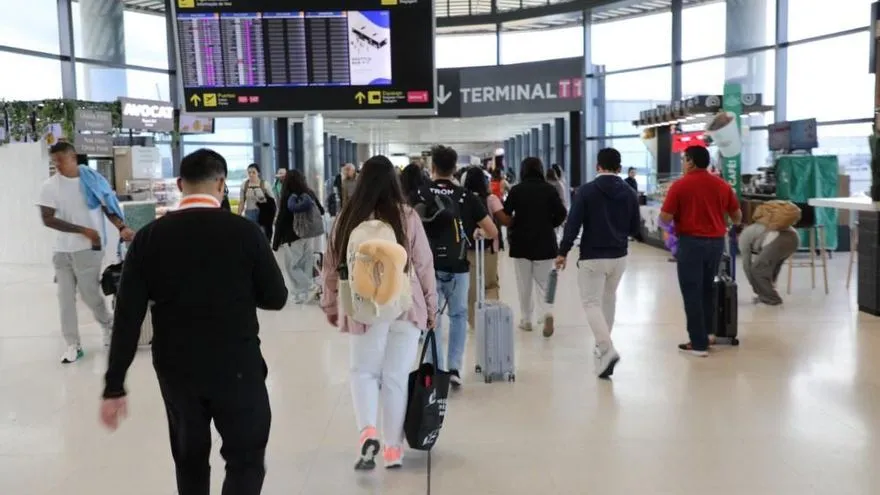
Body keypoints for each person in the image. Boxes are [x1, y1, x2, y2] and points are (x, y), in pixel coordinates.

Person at [100, 148, 288, 495]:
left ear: (179, 184)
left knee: (189, 460)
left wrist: (114, 385)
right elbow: (276, 298)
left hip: (178, 368)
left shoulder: (148, 238)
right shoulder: (245, 233)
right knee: (245, 459)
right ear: (221, 184)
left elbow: (127, 317)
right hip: (237, 365)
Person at [320, 155, 438, 470]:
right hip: (404, 304)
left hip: (362, 307)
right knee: (396, 377)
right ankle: (392, 450)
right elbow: (424, 265)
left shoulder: (347, 217)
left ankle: (367, 432)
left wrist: (331, 305)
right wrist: (430, 307)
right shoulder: (407, 216)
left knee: (364, 372)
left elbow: (331, 267)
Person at [38, 142, 135, 362]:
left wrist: (122, 227)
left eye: (61, 160)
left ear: (73, 158)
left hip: (89, 250)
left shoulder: (91, 181)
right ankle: (73, 344)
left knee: (90, 296)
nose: (57, 166)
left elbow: (107, 207)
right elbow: (47, 218)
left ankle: (108, 326)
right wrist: (83, 230)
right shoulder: (49, 186)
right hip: (62, 252)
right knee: (65, 299)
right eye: (54, 162)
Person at [556, 148, 641, 378]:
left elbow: (573, 224)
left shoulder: (586, 191)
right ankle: (602, 346)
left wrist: (563, 251)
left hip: (593, 255)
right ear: (620, 168)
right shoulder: (629, 192)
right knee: (608, 298)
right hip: (619, 256)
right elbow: (636, 228)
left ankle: (606, 347)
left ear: (597, 166)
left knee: (591, 303)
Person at [420, 145, 497, 388]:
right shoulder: (466, 196)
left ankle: (436, 368)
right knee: (458, 315)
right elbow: (492, 231)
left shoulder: (420, 194)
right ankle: (454, 368)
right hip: (458, 266)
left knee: (432, 318)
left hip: (428, 266)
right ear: (454, 169)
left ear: (432, 167)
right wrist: (474, 231)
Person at [659, 146, 742, 356]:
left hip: (691, 243)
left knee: (691, 291)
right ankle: (708, 334)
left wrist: (668, 226)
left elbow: (665, 217)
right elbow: (738, 216)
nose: (682, 163)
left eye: (684, 159)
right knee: (707, 289)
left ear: (691, 161)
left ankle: (698, 344)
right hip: (716, 244)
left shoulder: (680, 186)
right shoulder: (722, 185)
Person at [497, 157, 567, 337]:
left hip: (521, 243)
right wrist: (549, 224)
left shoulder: (516, 190)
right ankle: (547, 312)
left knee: (524, 284)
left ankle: (527, 319)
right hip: (545, 242)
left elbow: (506, 214)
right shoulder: (550, 189)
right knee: (545, 284)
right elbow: (562, 213)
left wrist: (515, 223)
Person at [273, 169, 325, 303]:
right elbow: (322, 210)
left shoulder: (288, 197)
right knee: (305, 264)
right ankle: (301, 294)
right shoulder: (309, 193)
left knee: (292, 266)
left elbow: (281, 220)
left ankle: (309, 286)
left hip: (292, 236)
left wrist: (276, 241)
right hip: (308, 234)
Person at [462, 167, 503, 329]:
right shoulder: (491, 199)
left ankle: (473, 321)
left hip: (468, 248)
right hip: (489, 248)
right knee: (491, 284)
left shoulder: (462, 200)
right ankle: (491, 318)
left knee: (472, 286)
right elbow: (500, 219)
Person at [739, 201, 801, 306]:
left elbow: (747, 266)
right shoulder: (760, 226)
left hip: (779, 240)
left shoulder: (744, 237)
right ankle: (766, 295)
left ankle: (771, 299)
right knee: (770, 268)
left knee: (757, 269)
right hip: (794, 238)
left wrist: (756, 288)